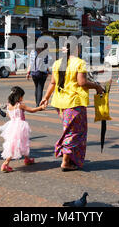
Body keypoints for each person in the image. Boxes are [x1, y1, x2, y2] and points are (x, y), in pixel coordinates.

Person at [40, 43, 104, 171]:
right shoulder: (79, 63)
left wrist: (45, 97)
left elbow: (52, 82)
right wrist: (97, 86)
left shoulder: (57, 63)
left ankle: (69, 159)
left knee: (69, 130)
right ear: (76, 49)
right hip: (74, 103)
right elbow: (82, 82)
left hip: (60, 103)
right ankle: (65, 161)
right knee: (75, 132)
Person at [0, 86, 45, 173]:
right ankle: (5, 163)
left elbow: (9, 116)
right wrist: (41, 108)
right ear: (19, 96)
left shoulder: (9, 106)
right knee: (16, 145)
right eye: (22, 96)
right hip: (20, 126)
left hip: (12, 126)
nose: (22, 98)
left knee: (22, 143)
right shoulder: (20, 105)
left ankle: (27, 159)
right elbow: (32, 110)